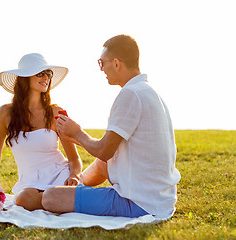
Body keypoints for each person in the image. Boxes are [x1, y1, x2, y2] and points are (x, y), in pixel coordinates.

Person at [42, 35, 181, 219]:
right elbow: (106, 158)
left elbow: (104, 150)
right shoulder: (148, 91)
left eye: (102, 63)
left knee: (50, 197)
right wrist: (75, 141)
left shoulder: (130, 94)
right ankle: (78, 185)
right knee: (103, 165)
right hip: (160, 199)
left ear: (116, 63)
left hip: (138, 203)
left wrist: (77, 133)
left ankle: (72, 192)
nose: (102, 69)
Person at [0, 53, 82, 211]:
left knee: (44, 197)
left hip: (61, 177)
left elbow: (74, 159)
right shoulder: (5, 113)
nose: (46, 78)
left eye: (48, 73)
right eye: (40, 73)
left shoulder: (55, 112)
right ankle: (59, 203)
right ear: (25, 78)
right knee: (23, 199)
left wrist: (74, 176)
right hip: (29, 185)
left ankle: (60, 200)